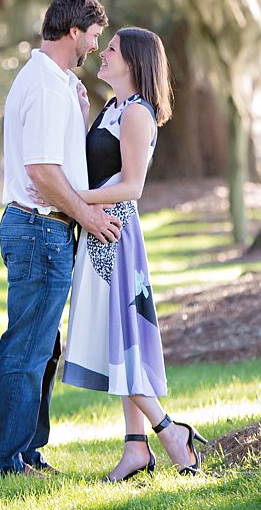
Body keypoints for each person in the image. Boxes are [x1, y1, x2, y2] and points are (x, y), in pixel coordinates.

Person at [0, 0, 124, 477]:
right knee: (27, 346)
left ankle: (24, 453)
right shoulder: (43, 84)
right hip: (39, 229)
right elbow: (41, 172)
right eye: (94, 36)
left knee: (43, 347)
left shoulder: (58, 82)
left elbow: (60, 159)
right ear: (73, 31)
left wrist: (80, 118)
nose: (95, 47)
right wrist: (88, 216)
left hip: (46, 231)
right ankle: (3, 464)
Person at [60, 26, 204, 480]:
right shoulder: (112, 109)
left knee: (119, 341)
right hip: (99, 229)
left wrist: (72, 199)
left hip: (114, 233)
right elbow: (99, 165)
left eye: (112, 49)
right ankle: (135, 449)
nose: (102, 53)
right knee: (117, 341)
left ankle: (170, 432)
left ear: (134, 62)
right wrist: (84, 115)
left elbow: (132, 186)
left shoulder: (138, 113)